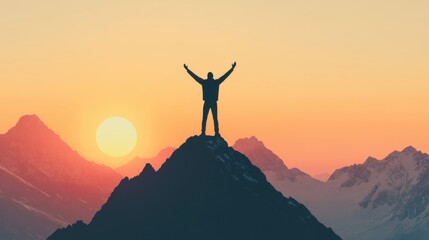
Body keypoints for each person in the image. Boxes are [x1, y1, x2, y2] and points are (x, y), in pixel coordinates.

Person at [184, 62, 236, 137]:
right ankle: (216, 132)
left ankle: (204, 132)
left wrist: (187, 70)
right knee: (214, 118)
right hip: (212, 102)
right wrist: (232, 69)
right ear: (212, 76)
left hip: (208, 102)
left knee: (206, 118)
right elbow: (224, 76)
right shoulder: (215, 82)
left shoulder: (205, 82)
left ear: (208, 76)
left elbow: (195, 77)